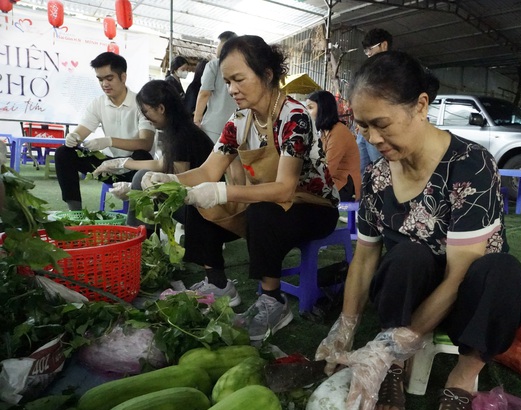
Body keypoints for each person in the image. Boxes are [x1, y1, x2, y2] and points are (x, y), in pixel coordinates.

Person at [314, 51, 521, 410]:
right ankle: (397, 367)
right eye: (362, 126)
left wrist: (387, 347)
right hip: (408, 301)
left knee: (502, 272)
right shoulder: (378, 175)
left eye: (382, 124)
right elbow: (364, 260)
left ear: (421, 107)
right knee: (408, 255)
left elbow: (459, 274)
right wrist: (345, 327)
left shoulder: (470, 165)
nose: (373, 138)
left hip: (467, 301)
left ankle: (461, 382)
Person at [142, 35, 340, 341]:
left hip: (313, 206)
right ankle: (218, 281)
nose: (232, 89)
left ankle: (273, 300)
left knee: (261, 211)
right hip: (267, 201)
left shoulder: (294, 117)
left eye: (239, 79)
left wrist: (222, 192)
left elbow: (286, 189)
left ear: (267, 74)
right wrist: (172, 182)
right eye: (227, 81)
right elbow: (209, 170)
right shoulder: (238, 122)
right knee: (194, 201)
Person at [92, 79, 241, 303]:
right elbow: (164, 165)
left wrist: (137, 192)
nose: (146, 118)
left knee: (146, 184)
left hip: (206, 200)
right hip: (198, 194)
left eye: (146, 112)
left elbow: (179, 179)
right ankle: (137, 251)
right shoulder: (175, 129)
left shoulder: (182, 135)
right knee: (141, 178)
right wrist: (123, 163)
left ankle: (134, 253)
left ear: (161, 108)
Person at [54, 52, 155, 211]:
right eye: (100, 80)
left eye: (109, 78)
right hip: (106, 166)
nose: (104, 84)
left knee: (142, 154)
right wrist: (73, 137)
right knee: (63, 153)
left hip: (133, 166)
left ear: (123, 77)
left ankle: (139, 214)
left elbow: (146, 143)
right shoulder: (98, 103)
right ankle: (75, 211)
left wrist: (109, 141)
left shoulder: (140, 103)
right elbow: (82, 131)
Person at [305, 90, 361, 202]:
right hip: (332, 182)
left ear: (323, 109)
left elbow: (327, 169)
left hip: (345, 186)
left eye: (310, 108)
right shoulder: (324, 132)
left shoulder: (339, 132)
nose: (306, 112)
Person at [356, 28, 392, 176]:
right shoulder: (370, 69)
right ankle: (366, 197)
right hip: (364, 128)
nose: (368, 53)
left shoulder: (393, 69)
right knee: (364, 170)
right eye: (366, 50)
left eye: (370, 49)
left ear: (384, 45)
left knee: (379, 170)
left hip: (378, 127)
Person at [194, 31, 237, 142]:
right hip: (236, 125)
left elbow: (205, 93)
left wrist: (196, 120)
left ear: (223, 45)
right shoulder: (241, 66)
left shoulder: (214, 65)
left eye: (218, 44)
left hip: (213, 126)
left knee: (210, 157)